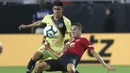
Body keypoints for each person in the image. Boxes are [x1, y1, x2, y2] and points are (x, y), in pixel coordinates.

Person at [34, 23, 116, 73]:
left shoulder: (83, 40)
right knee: (38, 67)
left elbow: (94, 53)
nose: (72, 31)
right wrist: (49, 49)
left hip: (72, 59)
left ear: (80, 30)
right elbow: (59, 55)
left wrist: (105, 65)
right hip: (61, 60)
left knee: (70, 69)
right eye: (71, 30)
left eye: (75, 30)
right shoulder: (68, 43)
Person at [19, 1, 71, 73]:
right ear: (52, 9)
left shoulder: (66, 22)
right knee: (35, 57)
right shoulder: (48, 17)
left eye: (58, 9)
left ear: (62, 10)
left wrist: (68, 43)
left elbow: (71, 35)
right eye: (54, 9)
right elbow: (39, 22)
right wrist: (27, 26)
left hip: (58, 49)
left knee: (64, 69)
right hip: (46, 46)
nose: (56, 11)